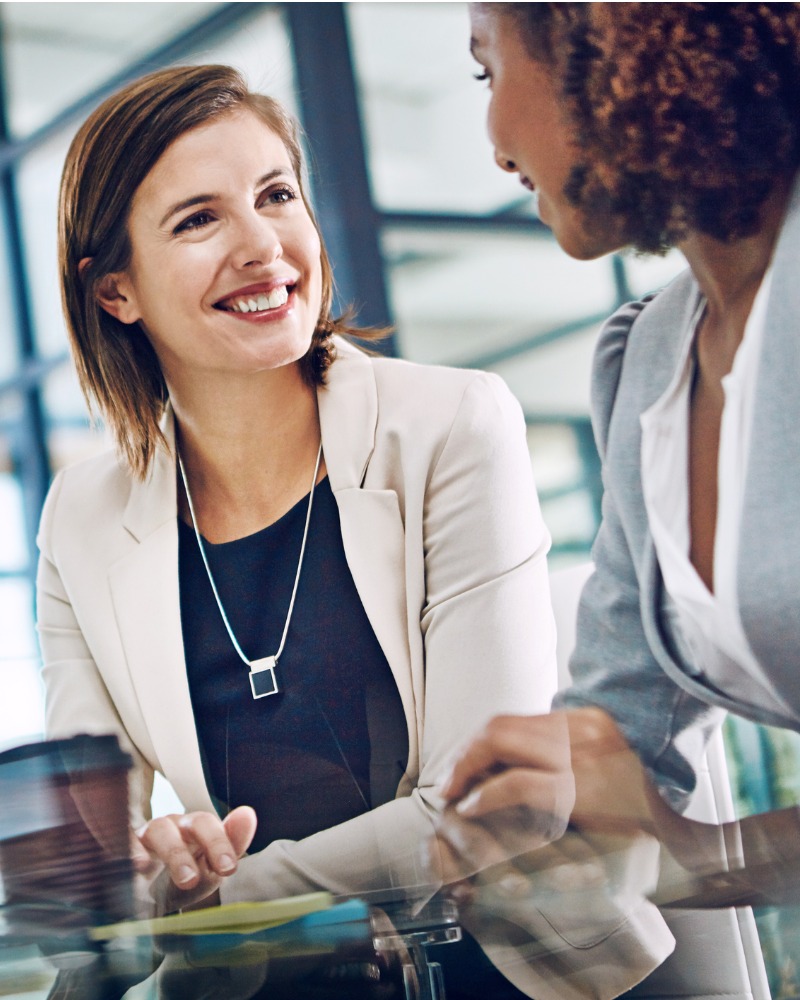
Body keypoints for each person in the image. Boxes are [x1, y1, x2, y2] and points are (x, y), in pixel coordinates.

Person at [37, 64, 557, 998]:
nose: (262, 244)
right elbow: (96, 862)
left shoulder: (454, 425)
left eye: (276, 194)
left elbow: (492, 814)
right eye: (199, 219)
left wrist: (223, 906)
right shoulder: (80, 519)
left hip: (501, 965)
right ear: (116, 290)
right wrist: (159, 862)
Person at [436, 0, 800, 988]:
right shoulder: (645, 360)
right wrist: (531, 822)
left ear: (605, 45)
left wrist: (696, 853)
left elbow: (664, 832)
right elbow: (614, 732)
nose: (495, 139)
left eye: (486, 69)